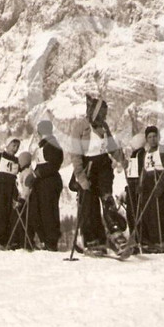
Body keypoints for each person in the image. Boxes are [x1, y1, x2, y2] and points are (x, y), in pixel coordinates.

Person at [67, 94, 128, 254]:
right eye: (102, 114)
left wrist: (121, 158)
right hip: (88, 167)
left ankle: (116, 234)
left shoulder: (103, 127)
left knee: (107, 198)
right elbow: (75, 153)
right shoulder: (80, 125)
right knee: (89, 204)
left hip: (103, 167)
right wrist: (81, 177)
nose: (104, 117)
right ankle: (93, 239)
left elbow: (111, 146)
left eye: (105, 114)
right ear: (94, 112)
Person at [137, 125, 164, 250]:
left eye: (154, 136)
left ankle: (162, 239)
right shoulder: (146, 153)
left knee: (161, 211)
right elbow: (143, 170)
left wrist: (162, 184)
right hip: (148, 182)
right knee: (149, 212)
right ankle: (152, 240)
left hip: (160, 180)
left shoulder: (163, 149)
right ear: (146, 139)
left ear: (158, 137)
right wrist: (141, 185)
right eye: (150, 137)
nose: (152, 139)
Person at [33, 120, 65, 251]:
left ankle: (50, 241)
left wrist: (37, 174)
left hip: (49, 182)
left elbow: (53, 165)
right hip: (43, 182)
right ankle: (46, 240)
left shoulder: (51, 144)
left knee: (48, 211)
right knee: (42, 210)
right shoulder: (46, 145)